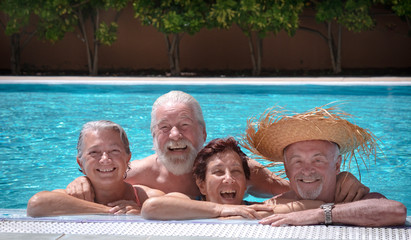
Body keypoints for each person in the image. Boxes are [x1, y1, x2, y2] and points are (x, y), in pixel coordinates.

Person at [66, 91, 368, 202]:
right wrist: (84, 181)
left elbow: (301, 188)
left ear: (203, 132)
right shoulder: (134, 177)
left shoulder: (236, 171)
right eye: (164, 128)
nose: (175, 135)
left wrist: (341, 180)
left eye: (185, 125)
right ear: (153, 136)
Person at [242, 105, 407, 227]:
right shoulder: (275, 206)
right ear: (286, 168)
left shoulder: (354, 196)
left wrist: (319, 214)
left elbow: (396, 211)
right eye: (297, 161)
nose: (307, 170)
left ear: (337, 165)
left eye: (318, 160)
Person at [141, 137, 323, 220]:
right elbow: (152, 207)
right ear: (201, 185)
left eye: (236, 172)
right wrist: (219, 210)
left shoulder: (255, 209)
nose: (229, 179)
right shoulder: (186, 203)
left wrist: (264, 212)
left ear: (245, 185)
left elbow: (319, 205)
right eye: (218, 172)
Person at [27, 120, 164, 217]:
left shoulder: (143, 197)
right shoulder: (73, 196)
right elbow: (36, 204)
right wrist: (108, 211)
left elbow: (182, 205)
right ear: (80, 163)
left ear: (128, 158)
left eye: (114, 151)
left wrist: (142, 212)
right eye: (94, 152)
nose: (105, 159)